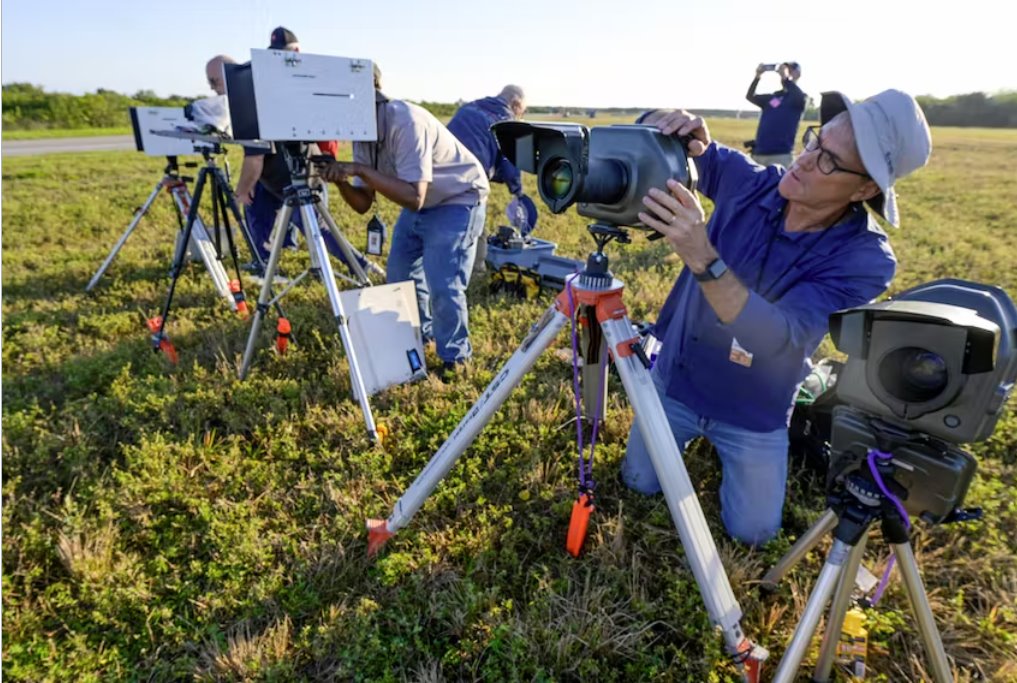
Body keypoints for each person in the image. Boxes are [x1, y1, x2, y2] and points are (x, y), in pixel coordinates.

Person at [621, 90, 932, 546]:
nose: (804, 161)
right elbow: (669, 152)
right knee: (638, 484)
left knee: (754, 533)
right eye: (813, 142)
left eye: (829, 160)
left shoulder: (865, 259)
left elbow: (777, 340)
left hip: (754, 409)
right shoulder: (754, 182)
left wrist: (703, 257)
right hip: (679, 381)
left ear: (865, 189)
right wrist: (666, 125)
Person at [317, 80, 489, 375]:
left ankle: (455, 359)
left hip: (457, 198)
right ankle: (422, 337)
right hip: (422, 202)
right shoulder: (363, 134)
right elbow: (362, 204)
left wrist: (359, 170)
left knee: (443, 283)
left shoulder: (406, 121)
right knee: (399, 275)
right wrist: (341, 179)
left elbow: (414, 198)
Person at [232, 27, 340, 266]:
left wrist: (325, 164)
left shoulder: (311, 82)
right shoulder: (266, 83)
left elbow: (327, 137)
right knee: (257, 210)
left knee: (318, 230)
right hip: (272, 169)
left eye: (284, 54)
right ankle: (263, 261)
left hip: (306, 168)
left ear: (297, 51)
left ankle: (357, 266)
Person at [446, 85, 528, 274]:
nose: (519, 117)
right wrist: (518, 192)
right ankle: (476, 271)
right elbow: (510, 164)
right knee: (476, 226)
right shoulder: (505, 121)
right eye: (521, 112)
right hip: (470, 178)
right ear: (515, 104)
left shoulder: (468, 108)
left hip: (440, 170)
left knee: (439, 221)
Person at [745, 62, 806, 168]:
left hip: (781, 155)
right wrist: (758, 76)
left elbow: (798, 97)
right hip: (759, 154)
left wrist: (786, 78)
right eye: (785, 70)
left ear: (798, 74)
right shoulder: (774, 97)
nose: (787, 72)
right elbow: (750, 96)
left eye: (790, 70)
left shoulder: (798, 98)